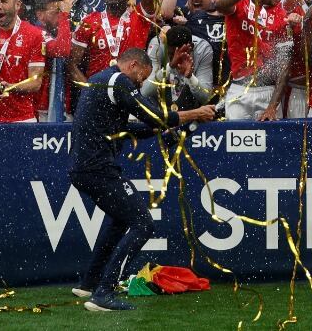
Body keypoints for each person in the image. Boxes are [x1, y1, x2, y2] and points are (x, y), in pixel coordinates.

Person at [69, 47, 216, 311]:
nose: (140, 83)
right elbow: (156, 116)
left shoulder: (102, 79)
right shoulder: (119, 82)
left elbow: (128, 128)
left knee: (120, 221)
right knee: (142, 223)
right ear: (133, 65)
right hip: (97, 168)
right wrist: (195, 114)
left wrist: (170, 130)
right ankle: (104, 293)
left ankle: (89, 283)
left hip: (85, 168)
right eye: (141, 77)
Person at [214, 0, 293, 120]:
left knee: (269, 142)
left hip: (268, 91)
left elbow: (285, 66)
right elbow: (219, 5)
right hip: (239, 89)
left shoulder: (281, 16)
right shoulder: (240, 3)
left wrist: (272, 107)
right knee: (235, 141)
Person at [72, 0, 154, 85]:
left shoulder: (139, 17)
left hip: (129, 89)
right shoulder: (89, 22)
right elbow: (71, 62)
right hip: (98, 90)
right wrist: (88, 88)